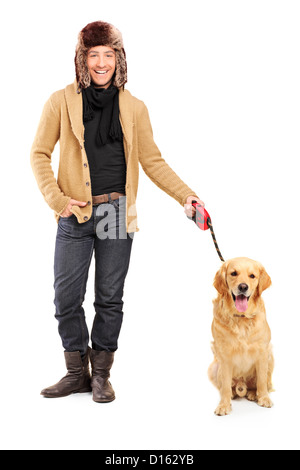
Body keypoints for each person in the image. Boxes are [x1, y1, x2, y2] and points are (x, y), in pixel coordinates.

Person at [31, 21, 204, 403]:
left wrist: (188, 198)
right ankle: (77, 372)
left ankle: (101, 376)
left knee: (109, 298)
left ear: (119, 59)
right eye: (94, 55)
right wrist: (59, 201)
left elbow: (153, 162)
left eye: (109, 54)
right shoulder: (61, 101)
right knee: (65, 298)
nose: (101, 62)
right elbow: (39, 153)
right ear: (82, 59)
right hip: (74, 214)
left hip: (114, 214)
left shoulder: (134, 107)